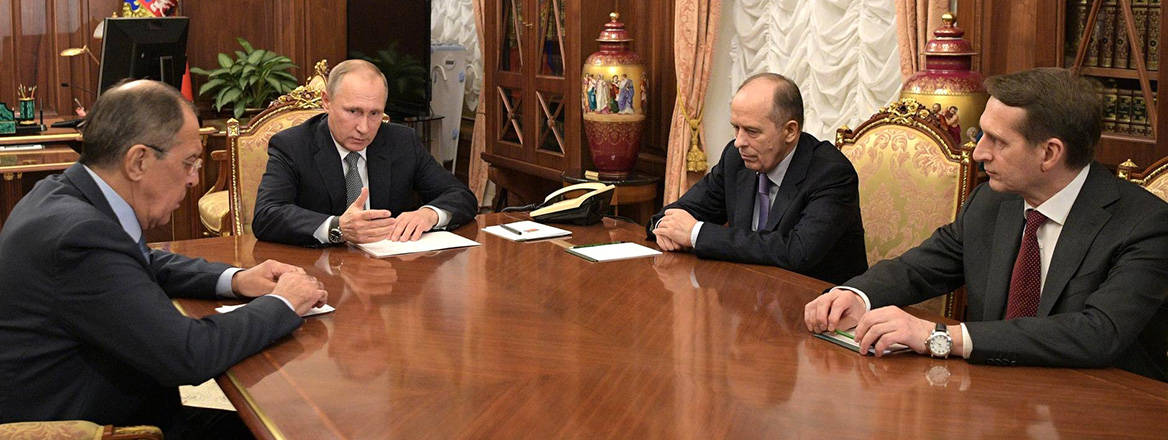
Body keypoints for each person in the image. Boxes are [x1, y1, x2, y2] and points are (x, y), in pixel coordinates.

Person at [0, 80, 329, 436]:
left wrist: (235, 279)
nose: (194, 179)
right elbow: (187, 354)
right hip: (103, 427)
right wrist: (283, 303)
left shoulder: (63, 194)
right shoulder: (79, 239)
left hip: (117, 405)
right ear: (138, 161)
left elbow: (140, 261)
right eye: (189, 163)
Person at [804, 68, 1168, 382]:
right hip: (991, 394)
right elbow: (920, 268)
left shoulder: (1145, 224)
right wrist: (856, 295)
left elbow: (1098, 333)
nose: (978, 153)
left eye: (998, 141)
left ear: (1050, 153)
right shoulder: (991, 202)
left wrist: (939, 336)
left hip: (1103, 406)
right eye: (982, 135)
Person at [647, 73, 867, 284]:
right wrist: (664, 229)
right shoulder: (736, 159)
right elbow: (677, 213)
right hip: (746, 292)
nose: (738, 142)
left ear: (790, 131)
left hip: (817, 304)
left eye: (752, 131)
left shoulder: (831, 173)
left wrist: (695, 233)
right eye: (736, 128)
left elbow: (798, 253)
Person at [253, 59, 477, 247]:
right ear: (326, 102)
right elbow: (267, 215)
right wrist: (337, 227)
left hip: (391, 270)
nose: (364, 127)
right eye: (353, 111)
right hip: (321, 271)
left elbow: (461, 196)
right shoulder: (292, 145)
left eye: (374, 114)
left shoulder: (401, 141)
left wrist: (429, 214)